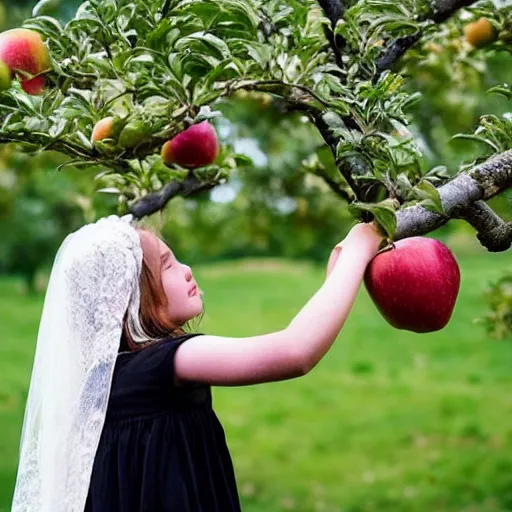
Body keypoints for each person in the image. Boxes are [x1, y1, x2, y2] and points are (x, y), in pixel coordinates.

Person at [11, 214, 383, 512]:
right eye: (168, 265)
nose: (187, 269)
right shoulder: (169, 361)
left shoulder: (97, 384)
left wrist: (336, 280)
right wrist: (357, 252)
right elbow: (295, 351)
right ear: (130, 298)